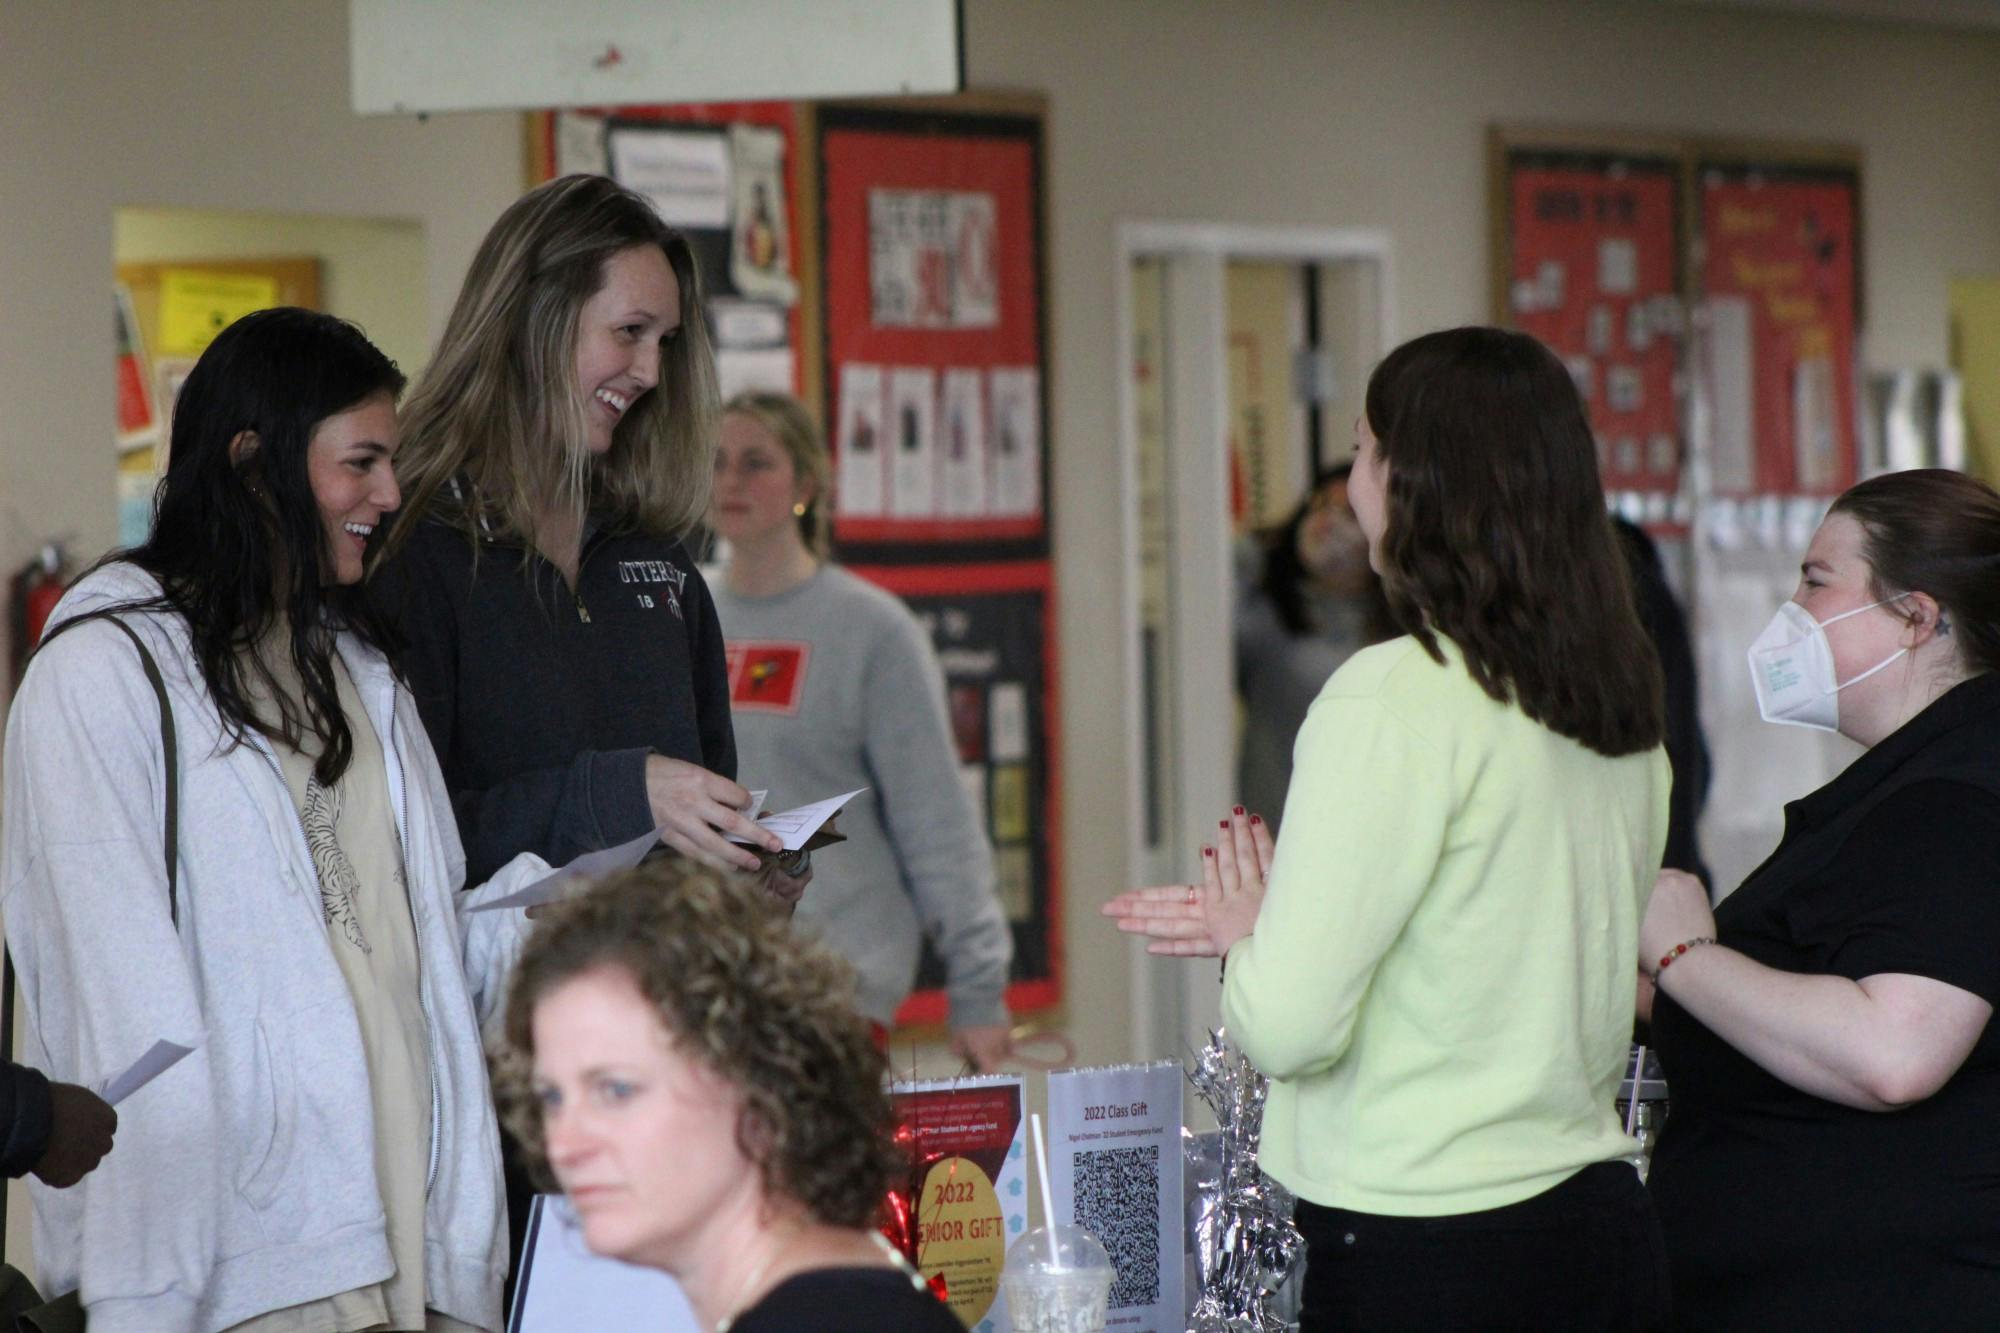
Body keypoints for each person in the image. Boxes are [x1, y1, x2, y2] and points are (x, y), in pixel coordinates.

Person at [1107, 326, 1672, 1329]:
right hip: (1594, 1227)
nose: (1352, 483)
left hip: (1428, 1244)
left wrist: (1248, 940)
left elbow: (1284, 1026)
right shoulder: (1612, 699)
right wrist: (1289, 914)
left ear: (1417, 484)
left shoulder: (1389, 695)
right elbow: (1485, 936)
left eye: (1366, 452)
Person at [0, 308, 547, 1331]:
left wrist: (570, 917)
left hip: (416, 1269)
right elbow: (109, 996)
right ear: (254, 463)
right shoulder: (104, 673)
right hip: (236, 1282)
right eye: (362, 462)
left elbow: (409, 951)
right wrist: (144, 1296)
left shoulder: (361, 673)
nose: (390, 495)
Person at [368, 173, 799, 1282]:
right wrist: (615, 792)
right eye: (627, 332)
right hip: (481, 1123)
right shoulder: (413, 558)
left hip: (663, 1111)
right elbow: (389, 854)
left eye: (665, 340)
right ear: (536, 320)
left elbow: (709, 806)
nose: (649, 373)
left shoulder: (661, 574)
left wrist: (750, 879)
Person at [1641, 469, 2000, 1329]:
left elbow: (1895, 1049)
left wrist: (1687, 956)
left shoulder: (1957, 794)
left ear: (1916, 618)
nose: (1790, 608)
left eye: (1815, 580)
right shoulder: (1912, 781)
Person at [494, 860, 962, 1333]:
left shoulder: (822, 1318)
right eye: (551, 1098)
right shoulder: (839, 1296)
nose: (565, 1146)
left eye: (616, 1090)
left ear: (759, 1079)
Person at [707, 391, 1013, 1065]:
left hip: (833, 983)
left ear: (806, 485)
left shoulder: (872, 629)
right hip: (699, 984)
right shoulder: (676, 612)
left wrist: (978, 984)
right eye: (718, 460)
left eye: (756, 462)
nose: (731, 481)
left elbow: (935, 817)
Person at [1234, 465, 1394, 832]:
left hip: (1365, 832)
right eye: (1319, 504)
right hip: (1273, 832)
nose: (1325, 521)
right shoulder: (1267, 615)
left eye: (1349, 513)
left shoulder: (1402, 637)